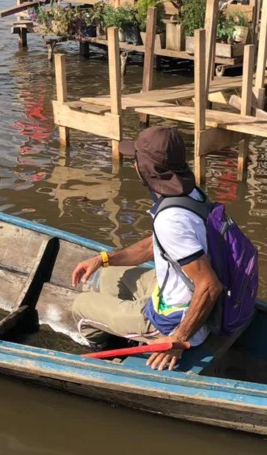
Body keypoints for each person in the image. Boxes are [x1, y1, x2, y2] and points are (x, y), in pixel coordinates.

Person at [71, 127, 223, 372]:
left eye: (136, 160)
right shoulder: (192, 194)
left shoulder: (170, 220)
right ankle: (124, 327)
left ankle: (106, 354)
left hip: (174, 323)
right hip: (179, 295)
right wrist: (102, 259)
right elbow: (154, 245)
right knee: (109, 273)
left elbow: (209, 285)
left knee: (80, 305)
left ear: (144, 169)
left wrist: (177, 338)